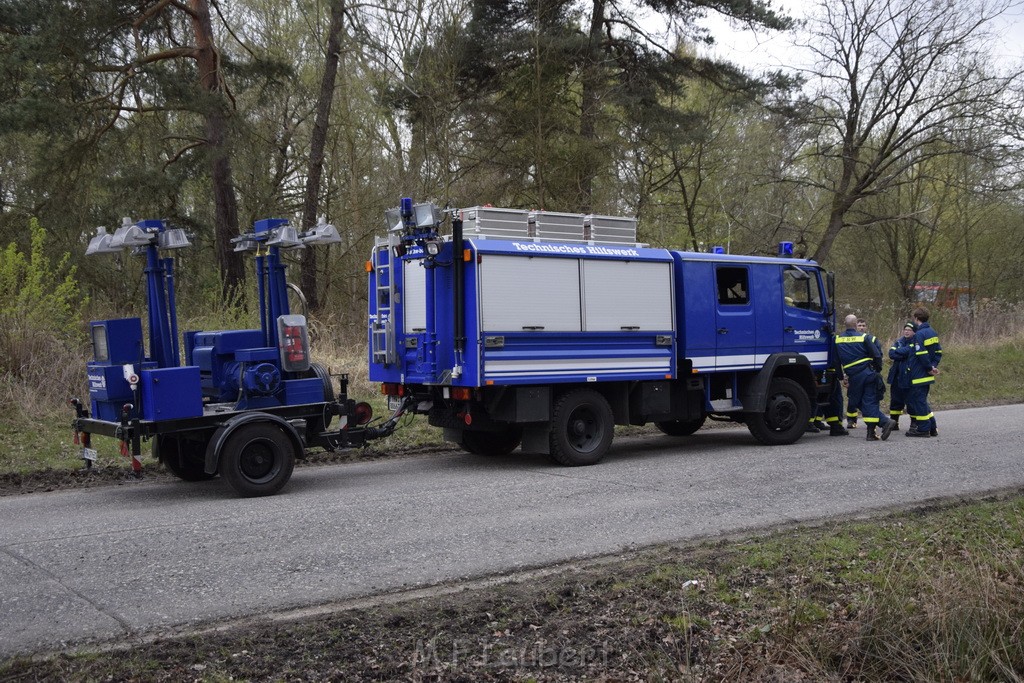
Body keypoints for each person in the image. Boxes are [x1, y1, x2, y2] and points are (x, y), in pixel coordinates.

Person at [835, 314, 896, 441]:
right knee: (869, 402)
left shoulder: (838, 339)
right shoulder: (864, 337)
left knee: (857, 402)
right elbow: (877, 356)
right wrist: (876, 370)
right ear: (856, 324)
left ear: (844, 324)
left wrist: (841, 377)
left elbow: (836, 361)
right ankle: (883, 423)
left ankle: (872, 433)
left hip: (854, 377)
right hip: (868, 374)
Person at [900, 307, 942, 437]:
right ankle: (932, 427)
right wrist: (933, 366)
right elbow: (938, 352)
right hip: (927, 374)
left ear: (916, 318)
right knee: (922, 401)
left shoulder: (919, 334)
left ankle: (923, 429)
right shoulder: (933, 332)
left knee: (918, 402)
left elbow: (921, 353)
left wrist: (929, 368)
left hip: (919, 374)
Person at [847, 318, 882, 427]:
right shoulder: (851, 339)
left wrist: (876, 369)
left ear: (866, 327)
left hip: (869, 372)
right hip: (855, 372)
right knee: (852, 396)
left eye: (863, 325)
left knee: (870, 397)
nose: (861, 327)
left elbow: (878, 355)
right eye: (859, 325)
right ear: (855, 326)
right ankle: (851, 420)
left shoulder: (872, 339)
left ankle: (872, 423)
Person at [887, 321, 916, 429]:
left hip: (909, 376)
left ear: (914, 332)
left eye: (909, 330)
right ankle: (894, 422)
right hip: (896, 376)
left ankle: (914, 422)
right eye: (905, 329)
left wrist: (900, 352)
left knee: (911, 400)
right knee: (895, 400)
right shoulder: (899, 341)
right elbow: (891, 354)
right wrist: (903, 354)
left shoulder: (916, 341)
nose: (907, 332)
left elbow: (910, 351)